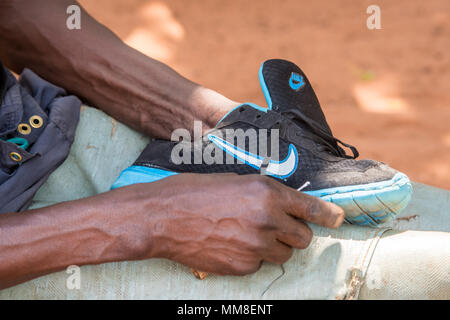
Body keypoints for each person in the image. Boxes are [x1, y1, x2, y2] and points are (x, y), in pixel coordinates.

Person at [0, 0, 344, 290]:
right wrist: (152, 220)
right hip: (36, 246)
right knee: (370, 275)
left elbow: (13, 11)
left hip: (45, 130)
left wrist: (212, 121)